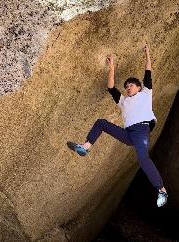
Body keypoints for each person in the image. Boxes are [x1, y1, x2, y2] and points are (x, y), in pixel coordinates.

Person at [67, 43, 168, 207]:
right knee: (101, 123)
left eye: (131, 86)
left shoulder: (146, 93)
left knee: (143, 159)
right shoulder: (123, 101)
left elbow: (148, 70)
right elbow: (111, 87)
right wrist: (112, 67)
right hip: (128, 134)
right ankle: (85, 147)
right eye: (126, 86)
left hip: (141, 130)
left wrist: (148, 52)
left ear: (139, 87)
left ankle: (162, 190)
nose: (128, 88)